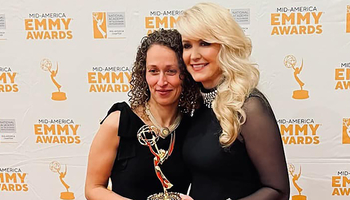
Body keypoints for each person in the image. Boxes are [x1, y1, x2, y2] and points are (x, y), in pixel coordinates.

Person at [176, 3, 290, 200]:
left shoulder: (249, 107)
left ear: (225, 46)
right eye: (187, 45)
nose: (193, 55)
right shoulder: (195, 105)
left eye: (205, 43)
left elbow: (278, 191)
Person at [85, 29, 199, 200]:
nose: (161, 82)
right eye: (153, 71)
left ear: (186, 75)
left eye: (171, 71)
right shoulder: (118, 123)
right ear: (143, 73)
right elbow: (93, 188)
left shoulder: (193, 127)